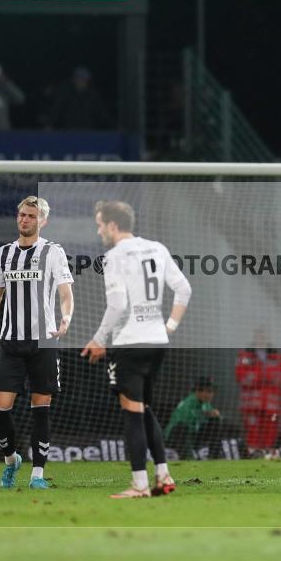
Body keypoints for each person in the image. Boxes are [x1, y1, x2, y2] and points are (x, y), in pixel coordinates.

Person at [0, 197, 74, 490]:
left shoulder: (53, 252)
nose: (24, 219)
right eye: (21, 214)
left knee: (41, 408)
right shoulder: (4, 253)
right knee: (0, 408)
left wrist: (66, 318)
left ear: (43, 221)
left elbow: (65, 292)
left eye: (31, 215)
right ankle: (11, 460)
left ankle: (37, 476)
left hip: (43, 341)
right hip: (11, 342)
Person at [81, 200, 192, 498]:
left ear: (113, 225)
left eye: (100, 225)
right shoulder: (157, 248)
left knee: (132, 414)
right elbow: (184, 289)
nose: (99, 231)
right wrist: (169, 326)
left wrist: (98, 339)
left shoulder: (114, 256)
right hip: (157, 342)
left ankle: (140, 485)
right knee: (144, 410)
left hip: (130, 343)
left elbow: (118, 305)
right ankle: (163, 475)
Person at [235, 331, 281, 459]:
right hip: (251, 404)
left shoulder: (276, 356)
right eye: (258, 337)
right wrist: (262, 376)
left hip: (272, 404)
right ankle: (252, 454)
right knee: (252, 430)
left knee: (270, 430)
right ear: (254, 339)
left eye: (263, 337)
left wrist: (264, 376)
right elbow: (240, 376)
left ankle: (267, 454)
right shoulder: (245, 355)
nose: (261, 339)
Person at [164, 377, 224, 460]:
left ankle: (214, 457)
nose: (211, 395)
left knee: (215, 421)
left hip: (193, 437)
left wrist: (216, 415)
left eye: (212, 392)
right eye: (209, 391)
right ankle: (187, 457)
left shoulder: (205, 403)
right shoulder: (189, 403)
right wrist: (205, 414)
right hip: (174, 438)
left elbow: (216, 418)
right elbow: (184, 426)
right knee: (182, 428)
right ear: (198, 391)